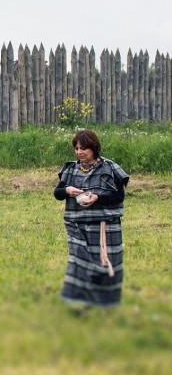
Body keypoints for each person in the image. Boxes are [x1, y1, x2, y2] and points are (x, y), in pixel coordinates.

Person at [54, 129, 129, 309]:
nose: (79, 152)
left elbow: (119, 196)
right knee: (80, 261)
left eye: (84, 149)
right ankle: (79, 304)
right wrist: (67, 191)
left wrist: (98, 198)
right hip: (77, 225)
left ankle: (106, 303)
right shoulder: (71, 169)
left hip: (105, 226)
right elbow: (57, 194)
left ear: (94, 148)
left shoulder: (109, 168)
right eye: (77, 148)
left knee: (106, 262)